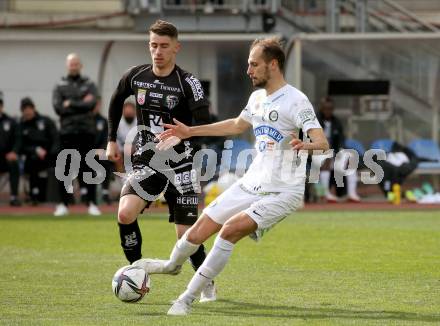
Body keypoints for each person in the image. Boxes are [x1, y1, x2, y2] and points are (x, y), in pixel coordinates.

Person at [134, 37, 329, 316]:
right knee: (199, 230)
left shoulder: (297, 101)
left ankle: (186, 299)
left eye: (254, 64)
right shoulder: (257, 97)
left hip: (283, 191)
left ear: (273, 65)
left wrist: (305, 145)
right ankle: (170, 265)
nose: (248, 70)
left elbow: (323, 143)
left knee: (228, 232)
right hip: (252, 182)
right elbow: (237, 125)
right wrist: (190, 131)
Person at [105, 20, 215, 302]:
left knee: (186, 236)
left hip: (182, 165)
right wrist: (110, 140)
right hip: (147, 162)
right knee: (124, 213)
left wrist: (183, 136)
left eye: (164, 46)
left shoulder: (188, 82)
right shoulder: (136, 76)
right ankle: (136, 271)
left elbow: (206, 122)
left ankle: (206, 281)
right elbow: (116, 100)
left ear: (176, 48)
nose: (158, 51)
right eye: (153, 45)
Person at [52, 53, 101, 216]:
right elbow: (58, 107)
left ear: (81, 65)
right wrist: (81, 102)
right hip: (67, 132)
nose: (74, 66)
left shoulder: (89, 84)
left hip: (86, 132)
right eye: (71, 64)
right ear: (67, 65)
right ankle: (63, 204)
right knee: (65, 169)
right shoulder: (60, 85)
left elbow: (92, 103)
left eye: (76, 64)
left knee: (88, 169)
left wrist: (70, 103)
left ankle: (92, 203)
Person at [315, 97, 360, 202]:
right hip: (315, 154)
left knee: (350, 160)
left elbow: (341, 140)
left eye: (330, 108)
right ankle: (326, 193)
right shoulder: (315, 121)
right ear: (321, 108)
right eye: (325, 108)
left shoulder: (336, 122)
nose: (328, 110)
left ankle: (352, 193)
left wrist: (340, 151)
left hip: (333, 153)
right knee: (326, 158)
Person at [17, 97, 58, 204]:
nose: (27, 112)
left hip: (49, 154)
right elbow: (20, 145)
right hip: (32, 156)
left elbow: (55, 137)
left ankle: (64, 195)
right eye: (24, 109)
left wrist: (51, 151)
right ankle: (35, 194)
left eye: (29, 108)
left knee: (64, 160)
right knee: (32, 163)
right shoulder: (21, 126)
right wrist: (34, 149)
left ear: (33, 108)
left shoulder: (45, 121)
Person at [0, 91, 21, 206]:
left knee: (14, 163)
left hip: (6, 157)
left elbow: (18, 139)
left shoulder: (11, 121)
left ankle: (14, 196)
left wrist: (14, 152)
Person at [93, 96, 113, 204]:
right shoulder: (83, 120)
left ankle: (105, 191)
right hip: (84, 151)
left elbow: (107, 137)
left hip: (99, 150)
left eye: (97, 105)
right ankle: (85, 192)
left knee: (105, 159)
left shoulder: (103, 121)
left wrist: (101, 149)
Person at [115, 101, 137, 173]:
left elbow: (143, 139)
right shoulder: (118, 123)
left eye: (130, 113)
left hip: (136, 150)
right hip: (121, 150)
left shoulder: (140, 122)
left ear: (135, 112)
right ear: (123, 112)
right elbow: (115, 139)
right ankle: (121, 178)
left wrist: (135, 148)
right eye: (127, 113)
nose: (129, 114)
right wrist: (121, 149)